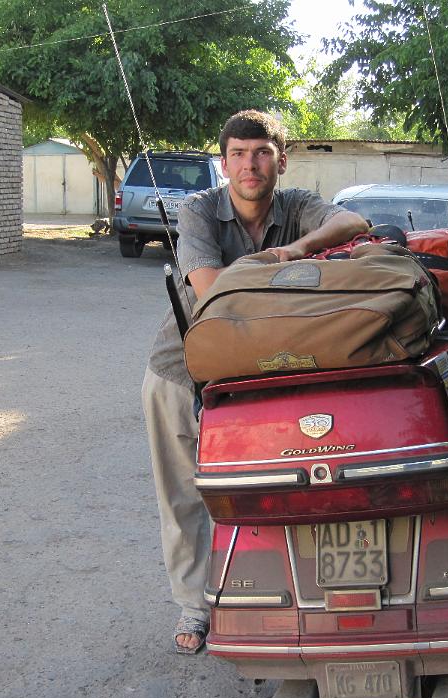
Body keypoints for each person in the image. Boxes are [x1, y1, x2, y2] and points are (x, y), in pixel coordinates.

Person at [142, 110, 369, 654]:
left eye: (262, 152)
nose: (251, 163)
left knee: (288, 487)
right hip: (184, 368)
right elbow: (211, 288)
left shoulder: (297, 207)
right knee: (184, 495)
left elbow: (353, 223)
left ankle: (293, 599)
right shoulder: (198, 210)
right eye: (239, 154)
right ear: (223, 163)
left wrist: (294, 250)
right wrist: (291, 284)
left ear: (281, 160)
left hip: (273, 370)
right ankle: (195, 607)